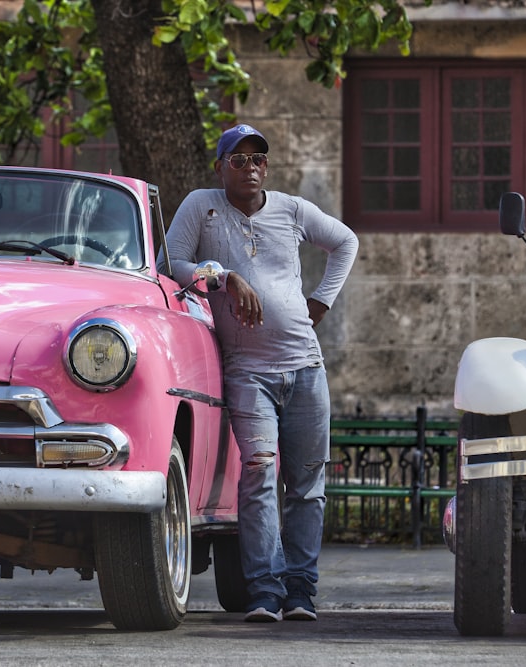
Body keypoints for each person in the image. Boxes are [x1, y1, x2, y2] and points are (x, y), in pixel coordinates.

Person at [162, 123, 358, 622]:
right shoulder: (202, 206)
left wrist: (321, 302)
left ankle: (300, 591)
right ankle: (265, 591)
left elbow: (346, 243)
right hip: (247, 370)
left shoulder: (292, 209)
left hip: (305, 366)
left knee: (308, 485)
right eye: (238, 159)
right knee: (259, 473)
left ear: (266, 167)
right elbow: (170, 264)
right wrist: (224, 277)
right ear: (221, 166)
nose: (249, 167)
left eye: (257, 159)